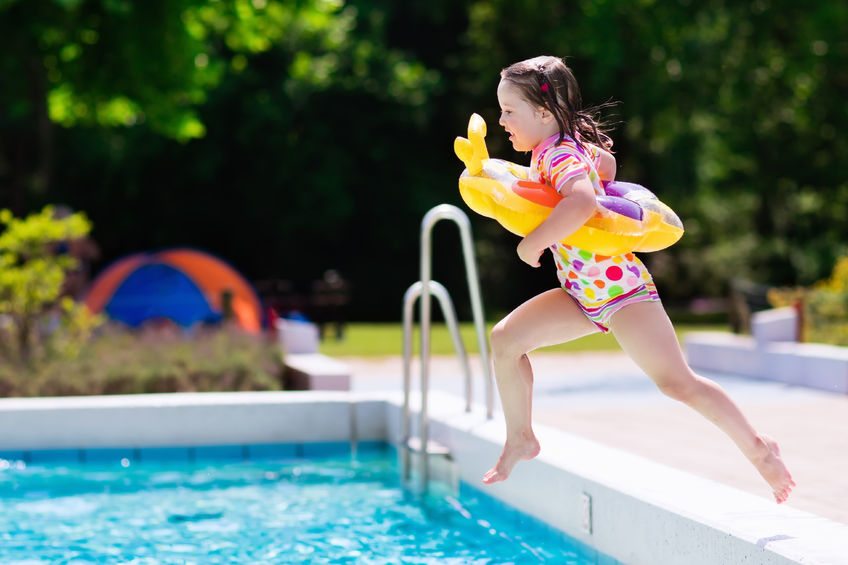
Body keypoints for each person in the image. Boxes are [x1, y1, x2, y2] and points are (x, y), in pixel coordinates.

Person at [480, 55, 795, 504]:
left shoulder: (559, 154)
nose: (502, 119)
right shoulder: (557, 149)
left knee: (677, 383)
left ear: (544, 113)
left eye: (509, 111)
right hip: (580, 294)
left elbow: (583, 200)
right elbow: (605, 166)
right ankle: (520, 438)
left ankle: (760, 450)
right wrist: (595, 164)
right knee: (505, 341)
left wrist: (532, 243)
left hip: (623, 293)